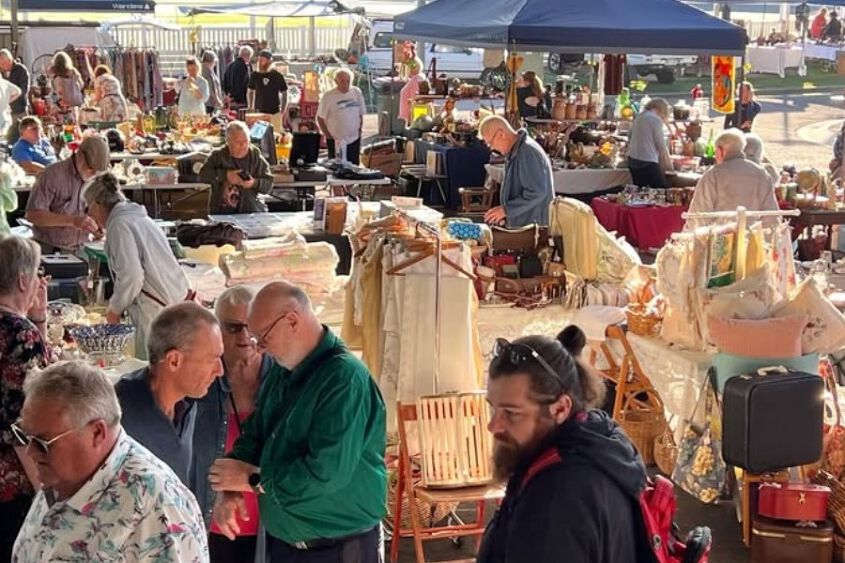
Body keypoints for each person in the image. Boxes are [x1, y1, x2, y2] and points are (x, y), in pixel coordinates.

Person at [210, 281, 387, 563]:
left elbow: (325, 473)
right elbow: (256, 434)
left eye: (263, 337)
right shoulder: (285, 369)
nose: (260, 349)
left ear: (292, 320)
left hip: (337, 547)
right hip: (285, 542)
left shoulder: (344, 379)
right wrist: (230, 488)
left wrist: (253, 479)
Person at [11, 361, 208, 562]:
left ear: (97, 432)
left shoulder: (157, 506)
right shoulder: (62, 477)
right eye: (25, 436)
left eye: (43, 443)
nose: (31, 452)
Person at [477, 335, 650, 563]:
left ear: (560, 408)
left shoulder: (552, 502)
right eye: (493, 408)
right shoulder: (601, 441)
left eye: (511, 413)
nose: (493, 426)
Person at [194, 286, 273, 563]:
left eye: (251, 327)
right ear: (217, 331)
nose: (245, 337)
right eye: (233, 327)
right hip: (210, 526)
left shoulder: (283, 378)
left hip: (273, 528)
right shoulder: (200, 382)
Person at [83, 173, 192, 358]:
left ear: (97, 204)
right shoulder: (138, 218)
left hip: (154, 310)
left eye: (88, 208)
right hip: (173, 303)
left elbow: (131, 277)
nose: (89, 214)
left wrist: (114, 310)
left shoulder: (119, 225)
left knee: (152, 370)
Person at [115, 302, 224, 485]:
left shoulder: (188, 402)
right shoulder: (118, 415)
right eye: (211, 360)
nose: (220, 370)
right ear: (174, 361)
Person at [0, 236, 49, 561]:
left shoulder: (24, 330)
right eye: (36, 274)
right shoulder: (21, 334)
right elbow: (26, 420)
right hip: (10, 487)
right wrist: (49, 500)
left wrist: (40, 318)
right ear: (22, 280)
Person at [25, 135, 110, 254]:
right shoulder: (52, 175)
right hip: (50, 249)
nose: (94, 173)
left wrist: (98, 227)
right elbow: (33, 215)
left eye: (99, 171)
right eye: (90, 168)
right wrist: (72, 221)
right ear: (79, 154)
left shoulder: (98, 178)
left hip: (83, 248)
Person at [686, 129, 779, 229]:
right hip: (752, 240)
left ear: (719, 151)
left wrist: (687, 240)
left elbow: (697, 217)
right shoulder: (762, 174)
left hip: (720, 241)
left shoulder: (713, 175)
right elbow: (772, 218)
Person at [479, 115, 554, 227]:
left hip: (533, 226)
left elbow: (537, 192)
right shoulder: (517, 149)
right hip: (526, 224)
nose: (491, 148)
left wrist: (506, 210)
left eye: (490, 142)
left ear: (501, 134)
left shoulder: (527, 152)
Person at [199, 120, 273, 214]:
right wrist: (225, 175)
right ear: (228, 142)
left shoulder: (255, 157)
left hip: (251, 212)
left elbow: (268, 185)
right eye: (238, 142)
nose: (243, 145)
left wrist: (254, 183)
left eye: (246, 141)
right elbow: (202, 176)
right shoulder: (218, 156)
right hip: (222, 214)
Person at [317, 68, 366, 164]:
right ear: (336, 81)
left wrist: (360, 130)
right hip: (335, 139)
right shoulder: (328, 96)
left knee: (354, 167)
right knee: (336, 167)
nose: (345, 84)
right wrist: (328, 136)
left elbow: (361, 113)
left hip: (354, 139)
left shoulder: (357, 92)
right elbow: (320, 118)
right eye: (342, 81)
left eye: (348, 81)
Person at [627, 97, 673, 189]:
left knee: (640, 192)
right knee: (660, 190)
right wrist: (669, 166)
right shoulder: (655, 120)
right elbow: (661, 145)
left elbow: (629, 136)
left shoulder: (639, 117)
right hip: (648, 161)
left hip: (632, 160)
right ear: (662, 110)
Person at [248, 49, 288, 133]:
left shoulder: (277, 75)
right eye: (260, 59)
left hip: (274, 111)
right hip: (259, 111)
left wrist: (283, 109)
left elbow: (284, 92)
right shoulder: (255, 75)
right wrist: (250, 106)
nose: (261, 61)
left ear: (269, 61)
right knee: (259, 136)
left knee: (276, 135)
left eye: (263, 59)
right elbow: (250, 91)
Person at [0, 49, 29, 143]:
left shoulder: (21, 70)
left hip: (19, 109)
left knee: (22, 135)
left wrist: (8, 101)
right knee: (9, 138)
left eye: (3, 64)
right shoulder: (3, 72)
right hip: (6, 112)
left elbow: (23, 90)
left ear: (9, 60)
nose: (2, 67)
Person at [50, 51, 84, 123]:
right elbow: (81, 85)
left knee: (60, 122)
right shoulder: (73, 71)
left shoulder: (54, 72)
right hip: (73, 103)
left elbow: (52, 88)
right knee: (73, 122)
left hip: (60, 104)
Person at [398, 57, 425, 125]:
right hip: (409, 118)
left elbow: (414, 98)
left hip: (408, 119)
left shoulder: (415, 79)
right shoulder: (418, 78)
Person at [202, 50, 224, 115]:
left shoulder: (208, 69)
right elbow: (209, 87)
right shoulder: (206, 71)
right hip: (209, 102)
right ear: (211, 60)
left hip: (209, 102)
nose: (215, 63)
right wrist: (217, 99)